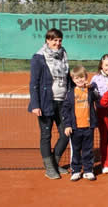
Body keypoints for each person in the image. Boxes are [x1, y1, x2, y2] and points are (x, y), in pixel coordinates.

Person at [28, 28, 70, 179]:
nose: (57, 43)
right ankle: (50, 169)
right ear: (47, 40)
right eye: (54, 40)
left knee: (66, 133)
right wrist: (35, 104)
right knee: (46, 135)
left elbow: (67, 78)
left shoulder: (63, 55)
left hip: (62, 101)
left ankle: (54, 162)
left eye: (59, 40)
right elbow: (34, 83)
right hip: (46, 102)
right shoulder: (38, 58)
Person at [62, 66, 100, 181]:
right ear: (73, 79)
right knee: (76, 150)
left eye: (82, 77)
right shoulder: (70, 93)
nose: (79, 80)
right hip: (75, 128)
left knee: (88, 150)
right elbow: (66, 110)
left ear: (86, 77)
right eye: (76, 78)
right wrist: (68, 125)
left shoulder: (90, 90)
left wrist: (91, 88)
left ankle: (88, 170)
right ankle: (76, 170)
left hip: (88, 127)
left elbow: (97, 96)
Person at [90, 54, 108, 175]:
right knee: (104, 138)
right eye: (106, 65)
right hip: (101, 112)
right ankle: (105, 163)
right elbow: (91, 95)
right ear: (101, 65)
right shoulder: (95, 78)